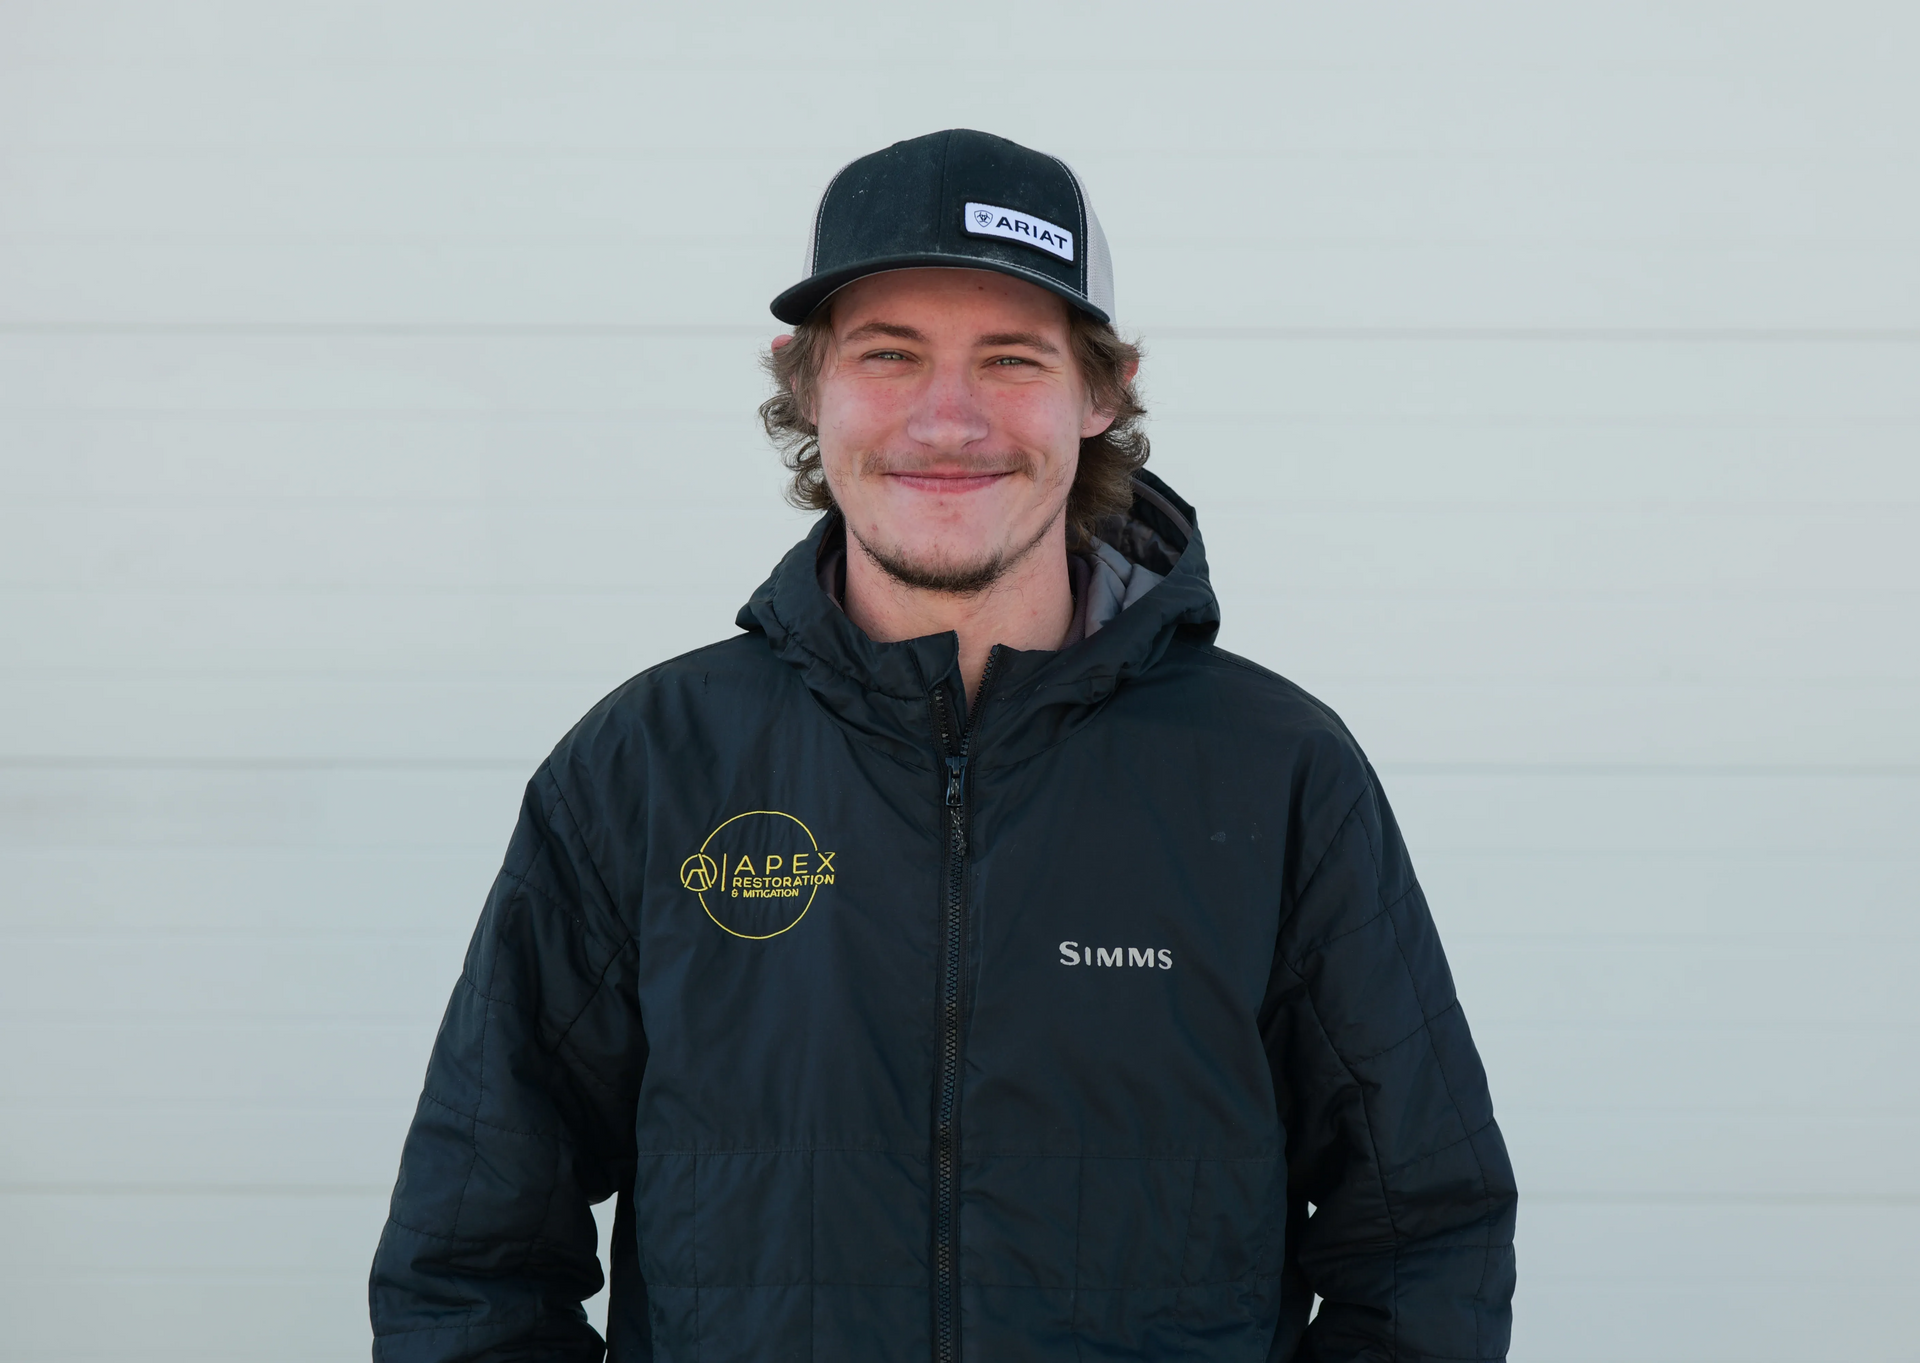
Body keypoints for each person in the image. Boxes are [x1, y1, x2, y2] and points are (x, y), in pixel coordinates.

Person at [369, 128, 1517, 1363]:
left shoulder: (1276, 772)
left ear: (1104, 388)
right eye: (889, 354)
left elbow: (1419, 1242)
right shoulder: (648, 768)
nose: (948, 416)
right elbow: (472, 1260)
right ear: (805, 384)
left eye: (1012, 358)